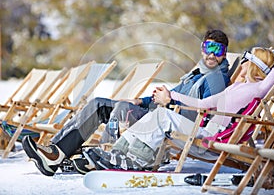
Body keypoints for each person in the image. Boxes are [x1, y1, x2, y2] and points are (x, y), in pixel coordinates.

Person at [22, 29, 231, 176]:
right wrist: (142, 100)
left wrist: (169, 101)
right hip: (157, 113)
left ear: (224, 54)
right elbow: (173, 93)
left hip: (171, 124)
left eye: (218, 50)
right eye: (208, 47)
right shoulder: (196, 74)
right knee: (99, 104)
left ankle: (108, 155)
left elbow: (208, 112)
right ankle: (56, 153)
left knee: (122, 109)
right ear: (202, 48)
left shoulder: (217, 80)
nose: (212, 54)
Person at [78, 40, 274, 172]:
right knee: (159, 114)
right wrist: (171, 96)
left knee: (163, 117)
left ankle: (137, 159)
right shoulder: (235, 88)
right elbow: (202, 103)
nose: (243, 63)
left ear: (253, 65)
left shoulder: (258, 88)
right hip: (205, 130)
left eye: (247, 60)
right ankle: (119, 152)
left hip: (213, 137)